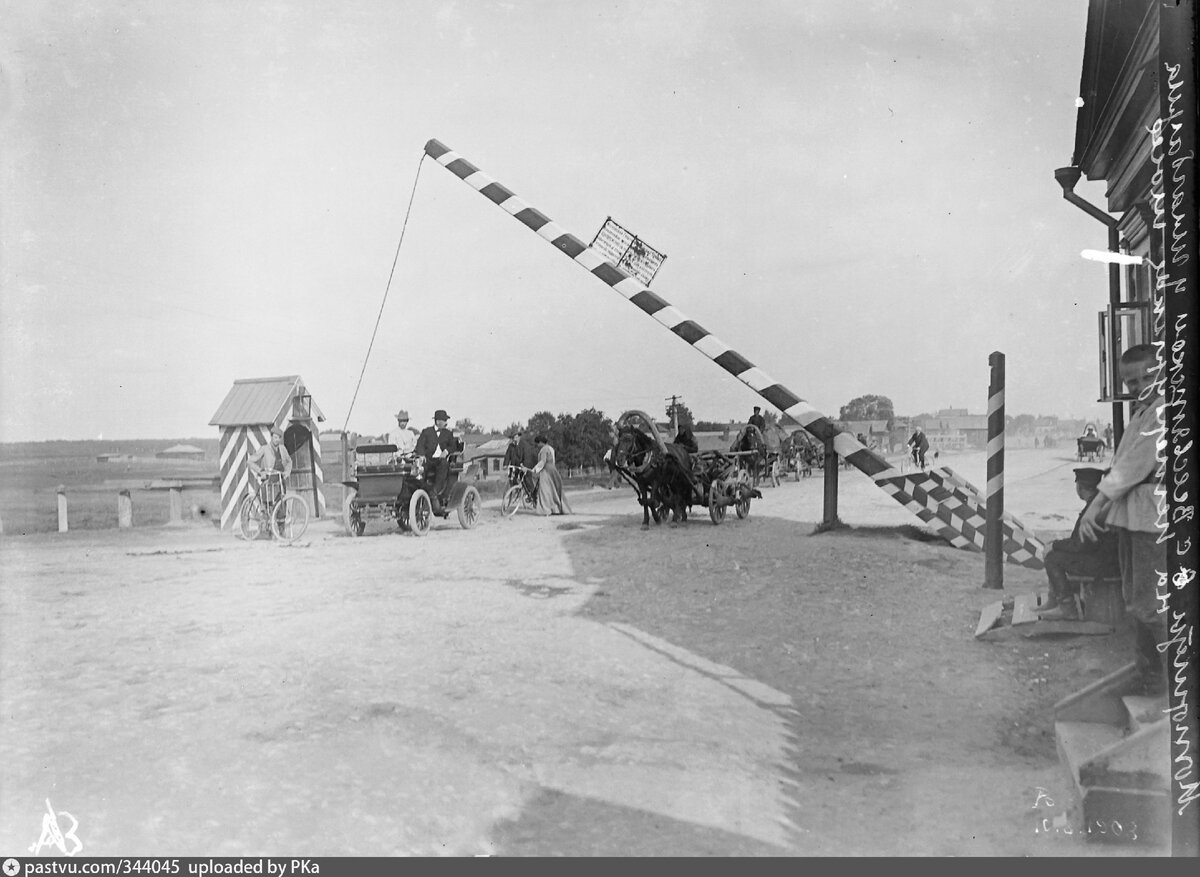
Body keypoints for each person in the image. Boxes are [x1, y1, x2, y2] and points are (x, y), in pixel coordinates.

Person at [1078, 344, 1166, 696]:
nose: (1140, 385)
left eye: (1148, 376)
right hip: (1134, 515)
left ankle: (1170, 681)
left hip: (1152, 517)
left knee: (1149, 603)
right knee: (1135, 599)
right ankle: (1149, 674)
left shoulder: (1163, 413)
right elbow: (1121, 463)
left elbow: (1129, 469)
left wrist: (1094, 505)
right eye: (1131, 381)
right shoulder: (1142, 413)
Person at [1036, 467, 1121, 621]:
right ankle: (1055, 601)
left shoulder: (1094, 509)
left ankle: (1067, 608)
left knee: (1053, 558)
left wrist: (1054, 545)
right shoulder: (1097, 504)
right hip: (1107, 560)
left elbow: (1080, 546)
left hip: (1102, 565)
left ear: (1080, 488)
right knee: (1055, 553)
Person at [415, 409, 458, 513]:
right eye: (441, 420)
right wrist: (421, 455)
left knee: (444, 465)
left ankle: (435, 491)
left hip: (440, 460)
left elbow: (453, 445)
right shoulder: (426, 432)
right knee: (418, 469)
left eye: (444, 420)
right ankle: (421, 491)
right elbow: (419, 445)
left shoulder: (448, 433)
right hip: (428, 459)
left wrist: (446, 451)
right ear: (436, 421)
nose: (442, 422)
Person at [247, 426, 292, 508]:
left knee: (282, 501)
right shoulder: (265, 449)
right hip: (268, 479)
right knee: (268, 503)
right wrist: (260, 471)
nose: (277, 440)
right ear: (271, 437)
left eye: (278, 438)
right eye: (275, 437)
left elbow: (289, 461)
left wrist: (287, 472)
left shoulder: (283, 449)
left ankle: (280, 520)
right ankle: (265, 517)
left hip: (280, 478)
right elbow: (250, 461)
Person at [532, 435, 572, 515]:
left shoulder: (543, 450)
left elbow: (543, 461)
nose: (537, 445)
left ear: (540, 442)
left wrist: (534, 470)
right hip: (553, 470)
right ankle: (556, 509)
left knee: (545, 491)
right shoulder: (550, 448)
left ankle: (546, 510)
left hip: (546, 470)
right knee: (553, 490)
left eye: (537, 443)